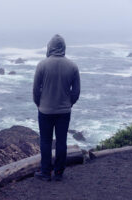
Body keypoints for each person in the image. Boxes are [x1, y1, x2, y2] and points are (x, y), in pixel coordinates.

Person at [33, 34, 80, 181]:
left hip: (45, 110)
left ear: (50, 47)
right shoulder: (72, 66)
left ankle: (45, 172)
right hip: (64, 111)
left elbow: (35, 90)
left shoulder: (42, 65)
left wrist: (39, 104)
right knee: (61, 141)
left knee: (46, 141)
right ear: (63, 48)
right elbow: (76, 92)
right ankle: (59, 173)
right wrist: (69, 103)